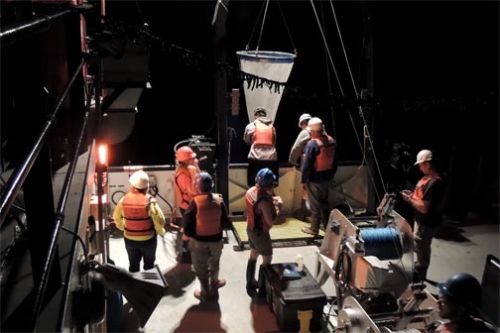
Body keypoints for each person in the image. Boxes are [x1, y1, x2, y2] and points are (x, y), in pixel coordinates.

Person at [182, 171, 232, 301]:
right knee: (214, 263)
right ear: (211, 185)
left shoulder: (194, 202)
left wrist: (193, 235)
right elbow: (226, 222)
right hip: (216, 240)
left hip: (199, 241)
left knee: (201, 267)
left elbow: (187, 226)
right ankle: (214, 283)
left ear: (197, 187)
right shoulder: (218, 198)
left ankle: (205, 293)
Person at [401, 149, 445, 282]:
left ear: (428, 164)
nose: (420, 168)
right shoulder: (427, 179)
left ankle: (420, 278)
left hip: (426, 224)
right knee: (419, 248)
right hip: (421, 222)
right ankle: (419, 271)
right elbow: (420, 197)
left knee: (422, 250)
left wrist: (409, 200)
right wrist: (412, 195)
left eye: (421, 164)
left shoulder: (435, 183)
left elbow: (424, 207)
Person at [112, 170, 166, 273]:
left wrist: (125, 226)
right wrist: (159, 231)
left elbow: (116, 217)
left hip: (130, 239)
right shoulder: (150, 202)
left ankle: (134, 286)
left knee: (133, 265)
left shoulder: (123, 200)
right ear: (147, 187)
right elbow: (160, 220)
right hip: (148, 240)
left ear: (132, 186)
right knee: (149, 266)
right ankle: (148, 286)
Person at [300, 117, 339, 235]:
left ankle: (314, 229)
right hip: (327, 177)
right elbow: (335, 161)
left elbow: (307, 165)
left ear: (314, 131)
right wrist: (331, 174)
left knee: (315, 205)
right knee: (325, 203)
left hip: (314, 179)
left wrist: (303, 180)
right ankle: (327, 226)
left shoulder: (312, 144)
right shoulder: (331, 141)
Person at [245, 168, 280, 296]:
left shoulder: (251, 191)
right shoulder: (264, 202)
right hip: (261, 234)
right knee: (267, 259)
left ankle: (250, 282)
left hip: (251, 229)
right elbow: (270, 221)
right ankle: (262, 288)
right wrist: (278, 208)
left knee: (253, 255)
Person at [429, 272, 495, 332]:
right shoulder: (487, 327)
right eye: (439, 298)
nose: (438, 302)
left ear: (461, 309)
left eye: (443, 301)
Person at [173, 145, 201, 262]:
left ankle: (190, 252)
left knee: (191, 229)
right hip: (188, 207)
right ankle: (185, 255)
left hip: (191, 205)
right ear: (186, 160)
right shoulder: (183, 174)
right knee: (188, 231)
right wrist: (194, 171)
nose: (194, 160)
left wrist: (195, 168)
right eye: (192, 158)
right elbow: (195, 191)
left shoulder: (187, 169)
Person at [243, 107, 278, 187]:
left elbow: (246, 140)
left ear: (255, 116)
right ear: (265, 115)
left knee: (253, 183)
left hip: (255, 158)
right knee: (270, 183)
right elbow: (274, 142)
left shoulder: (250, 126)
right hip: (271, 158)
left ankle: (255, 197)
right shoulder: (272, 127)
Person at [289, 113, 312, 221]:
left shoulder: (305, 132)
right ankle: (321, 219)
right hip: (323, 167)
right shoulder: (320, 131)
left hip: (309, 164)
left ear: (303, 123)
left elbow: (296, 148)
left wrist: (292, 161)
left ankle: (304, 212)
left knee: (305, 187)